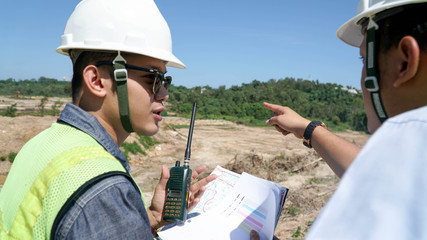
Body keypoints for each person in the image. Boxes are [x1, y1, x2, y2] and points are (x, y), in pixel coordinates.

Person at [0, 0, 215, 239]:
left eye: (165, 80)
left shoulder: (43, 144)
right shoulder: (105, 191)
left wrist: (151, 218)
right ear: (97, 81)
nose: (164, 94)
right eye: (152, 78)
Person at [262, 0, 427, 239]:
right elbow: (376, 173)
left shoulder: (408, 137)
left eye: (363, 59)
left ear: (404, 62)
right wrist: (307, 128)